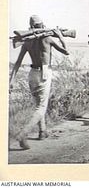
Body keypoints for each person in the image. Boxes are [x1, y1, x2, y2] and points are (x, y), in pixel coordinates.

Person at [9, 15, 69, 150]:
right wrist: (60, 36)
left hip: (32, 74)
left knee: (38, 104)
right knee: (41, 107)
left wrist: (11, 80)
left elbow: (18, 62)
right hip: (44, 73)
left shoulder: (27, 42)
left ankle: (43, 131)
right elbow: (66, 52)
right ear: (42, 26)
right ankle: (23, 133)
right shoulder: (48, 39)